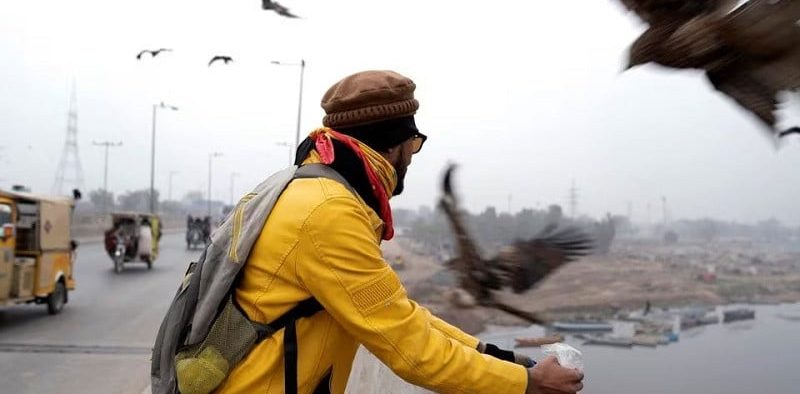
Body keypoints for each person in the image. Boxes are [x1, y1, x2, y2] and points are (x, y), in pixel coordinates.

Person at [216, 70, 584, 394]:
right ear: (393, 145)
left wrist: (502, 358)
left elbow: (400, 315)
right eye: (414, 145)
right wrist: (528, 384)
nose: (412, 157)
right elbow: (410, 347)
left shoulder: (306, 191)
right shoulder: (329, 213)